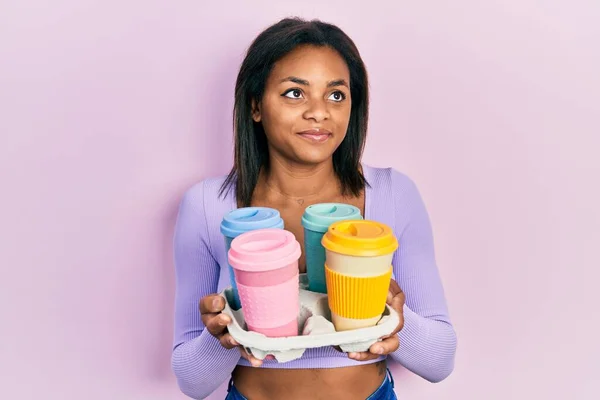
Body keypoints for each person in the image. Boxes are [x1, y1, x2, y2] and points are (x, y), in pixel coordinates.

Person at [171, 17, 457, 400]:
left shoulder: (392, 195)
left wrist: (391, 322)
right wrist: (223, 334)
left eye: (336, 95)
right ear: (255, 105)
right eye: (295, 93)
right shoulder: (208, 205)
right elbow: (191, 382)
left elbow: (440, 360)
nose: (319, 112)